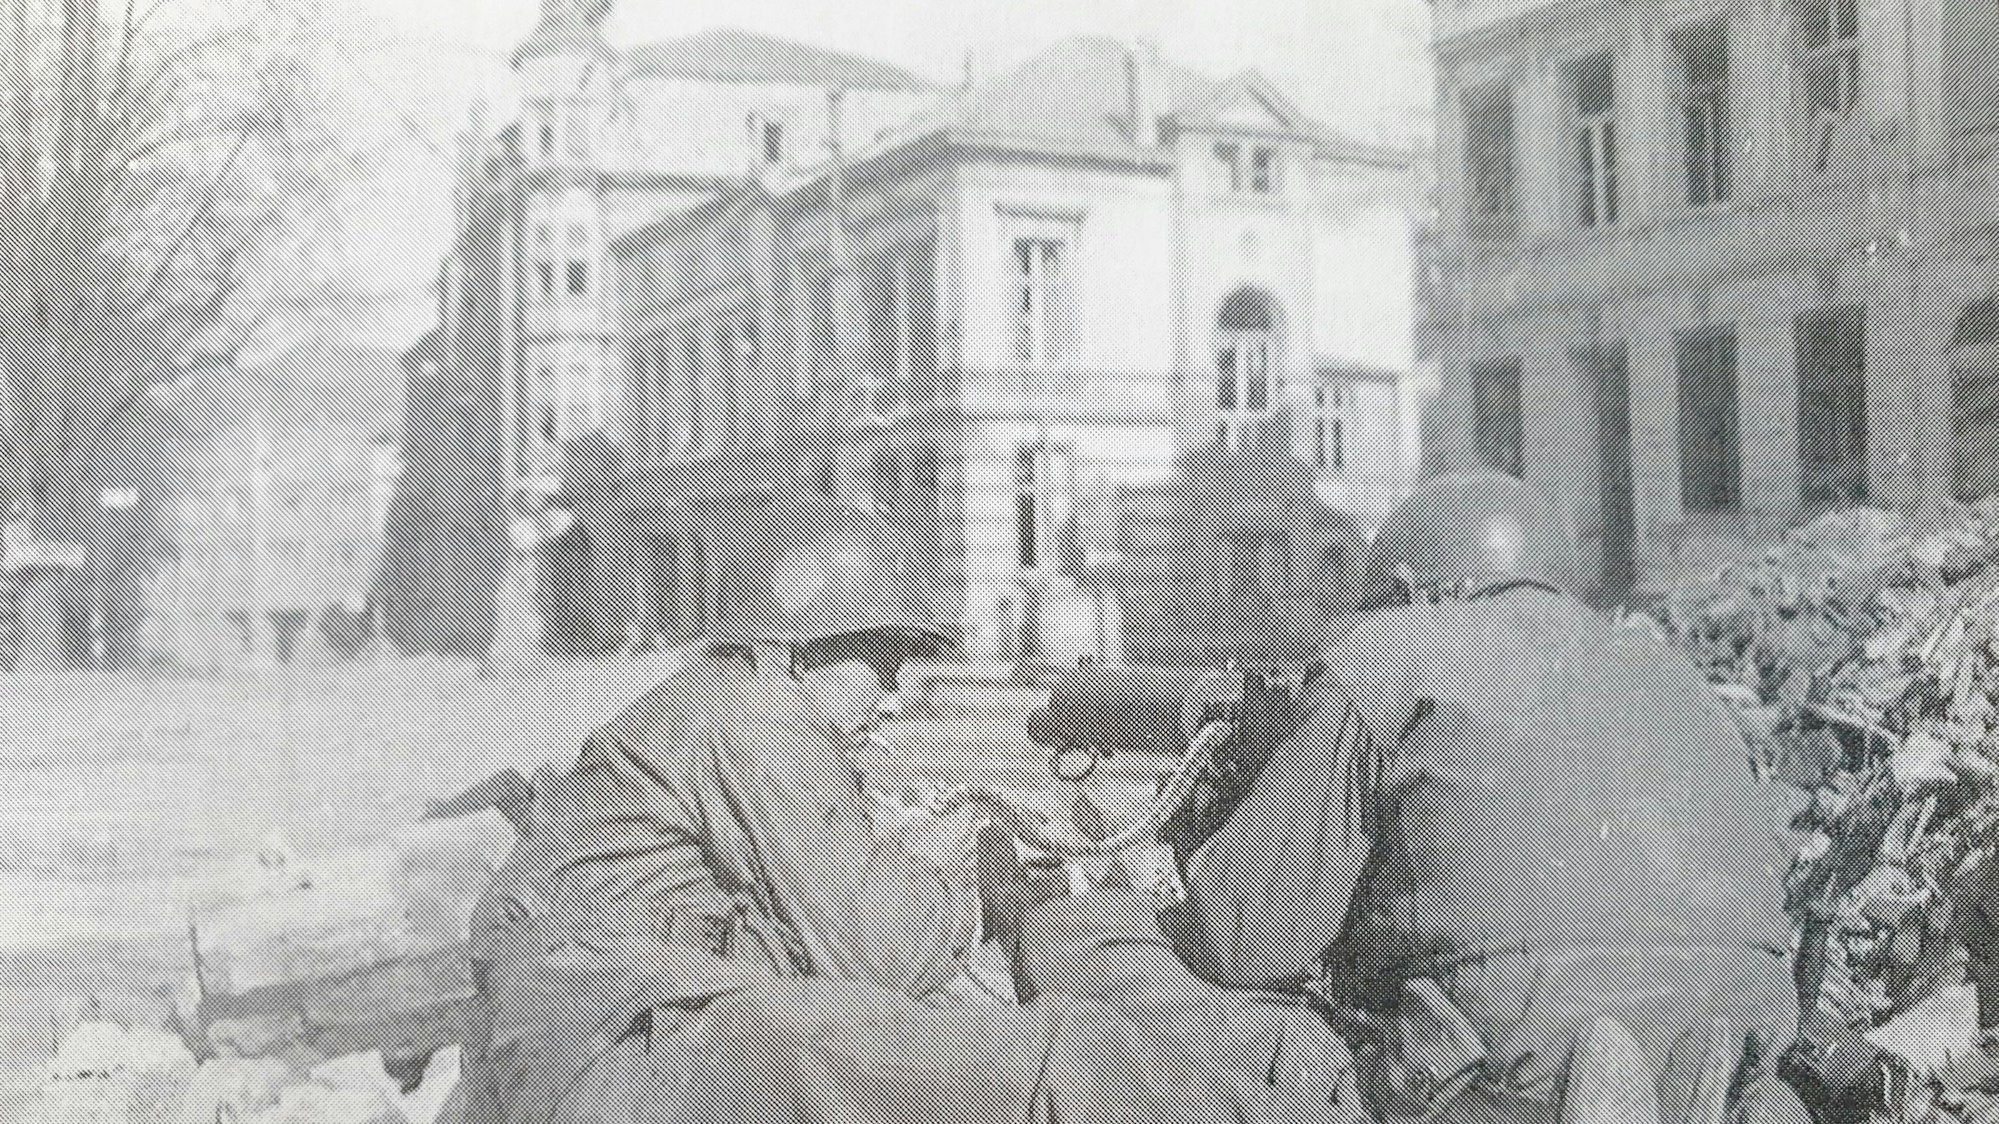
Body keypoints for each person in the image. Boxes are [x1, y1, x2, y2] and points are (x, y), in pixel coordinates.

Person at [459, 489, 1362, 1124]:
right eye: (881, 657)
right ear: (799, 648)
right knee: (1011, 1068)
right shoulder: (752, 714)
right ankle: (1264, 1100)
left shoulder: (724, 706)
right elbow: (885, 950)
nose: (894, 690)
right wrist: (979, 878)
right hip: (611, 1047)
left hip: (607, 1023)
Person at [1179, 471, 1812, 1124]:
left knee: (1110, 995)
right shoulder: (1676, 676)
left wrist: (1215, 816)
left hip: (1511, 1058)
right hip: (1727, 1031)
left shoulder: (1384, 653)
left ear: (1402, 591)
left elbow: (1235, 940)